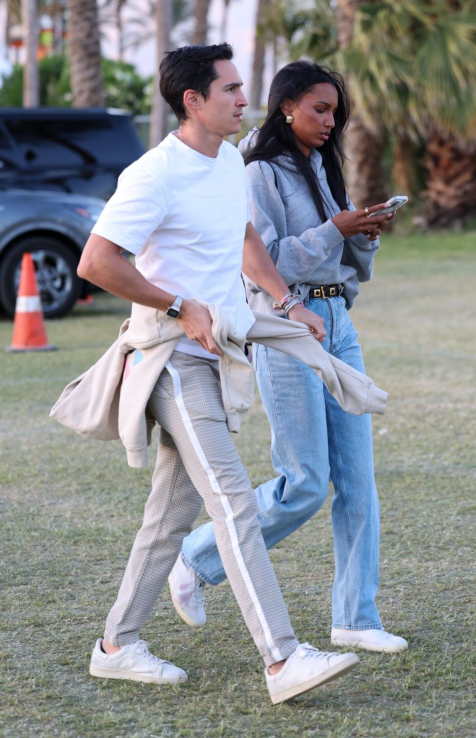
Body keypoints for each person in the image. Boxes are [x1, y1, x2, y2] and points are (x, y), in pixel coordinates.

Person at [76, 45, 364, 705]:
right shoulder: (155, 173)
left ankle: (117, 645)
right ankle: (282, 659)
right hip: (170, 358)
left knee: (169, 515)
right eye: (231, 89)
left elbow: (245, 241)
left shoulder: (230, 160)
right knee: (233, 500)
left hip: (215, 356)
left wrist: (288, 304)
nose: (244, 100)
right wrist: (179, 304)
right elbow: (96, 261)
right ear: (194, 101)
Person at [171, 60, 408, 654]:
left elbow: (343, 266)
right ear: (286, 106)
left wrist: (362, 237)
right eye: (318, 110)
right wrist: (335, 228)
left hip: (337, 322)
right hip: (282, 325)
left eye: (335, 111)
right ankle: (197, 558)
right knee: (304, 482)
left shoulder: (324, 168)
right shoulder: (256, 173)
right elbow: (264, 258)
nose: (330, 122)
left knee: (358, 481)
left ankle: (356, 615)